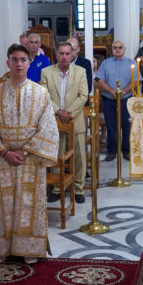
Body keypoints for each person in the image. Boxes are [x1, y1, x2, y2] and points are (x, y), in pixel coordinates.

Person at [0, 44, 59, 263]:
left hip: (31, 158)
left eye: (23, 59)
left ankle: (29, 249)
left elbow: (48, 128)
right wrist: (5, 152)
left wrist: (23, 151)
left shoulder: (41, 93)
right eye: (14, 59)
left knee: (28, 203)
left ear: (29, 62)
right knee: (5, 204)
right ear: (8, 62)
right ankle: (3, 249)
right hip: (4, 158)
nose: (18, 64)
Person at [40, 41, 88, 204]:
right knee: (57, 155)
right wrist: (58, 112)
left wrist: (69, 113)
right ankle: (57, 188)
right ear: (56, 54)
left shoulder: (80, 72)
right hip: (55, 120)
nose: (64, 57)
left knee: (79, 156)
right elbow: (44, 95)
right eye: (61, 53)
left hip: (75, 120)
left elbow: (83, 95)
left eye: (68, 53)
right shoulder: (46, 72)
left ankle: (78, 187)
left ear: (73, 54)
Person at [96, 40, 135, 161]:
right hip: (109, 99)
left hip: (125, 99)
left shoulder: (131, 63)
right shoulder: (105, 64)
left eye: (120, 47)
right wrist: (112, 91)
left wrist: (123, 91)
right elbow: (100, 80)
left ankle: (126, 151)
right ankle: (112, 151)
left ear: (124, 49)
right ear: (111, 50)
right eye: (115, 47)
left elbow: (136, 80)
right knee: (111, 126)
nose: (117, 49)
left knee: (127, 125)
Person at [67, 36, 95, 103]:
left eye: (72, 50)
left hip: (81, 101)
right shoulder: (58, 62)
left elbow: (88, 87)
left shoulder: (85, 63)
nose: (69, 52)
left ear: (78, 49)